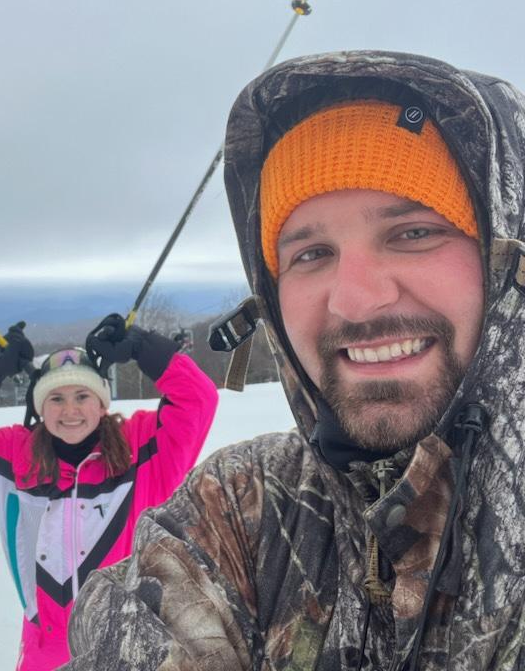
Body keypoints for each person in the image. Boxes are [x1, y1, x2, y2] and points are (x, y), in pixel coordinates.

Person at [63, 51, 525, 670]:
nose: (356, 301)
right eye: (310, 253)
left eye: (414, 232)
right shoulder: (245, 506)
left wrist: (146, 349)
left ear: (507, 260)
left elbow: (193, 399)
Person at [0, 314, 217, 671]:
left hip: (132, 647)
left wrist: (140, 345)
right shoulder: (12, 461)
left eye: (82, 395)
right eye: (56, 398)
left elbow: (197, 399)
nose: (70, 410)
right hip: (45, 655)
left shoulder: (143, 452)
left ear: (103, 403)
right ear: (40, 407)